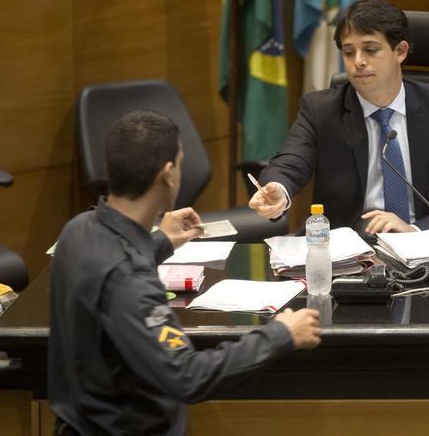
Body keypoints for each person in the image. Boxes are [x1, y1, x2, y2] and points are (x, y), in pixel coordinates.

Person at [48, 110, 321, 435]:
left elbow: (110, 266)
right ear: (168, 174)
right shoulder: (130, 281)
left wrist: (162, 241)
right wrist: (280, 335)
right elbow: (185, 375)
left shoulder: (76, 230)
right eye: (178, 161)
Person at [249, 0, 429, 235]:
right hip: (350, 253)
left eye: (370, 49)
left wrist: (417, 230)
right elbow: (291, 161)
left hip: (424, 245)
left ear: (400, 51)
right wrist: (279, 190)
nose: (358, 62)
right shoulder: (320, 110)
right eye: (348, 52)